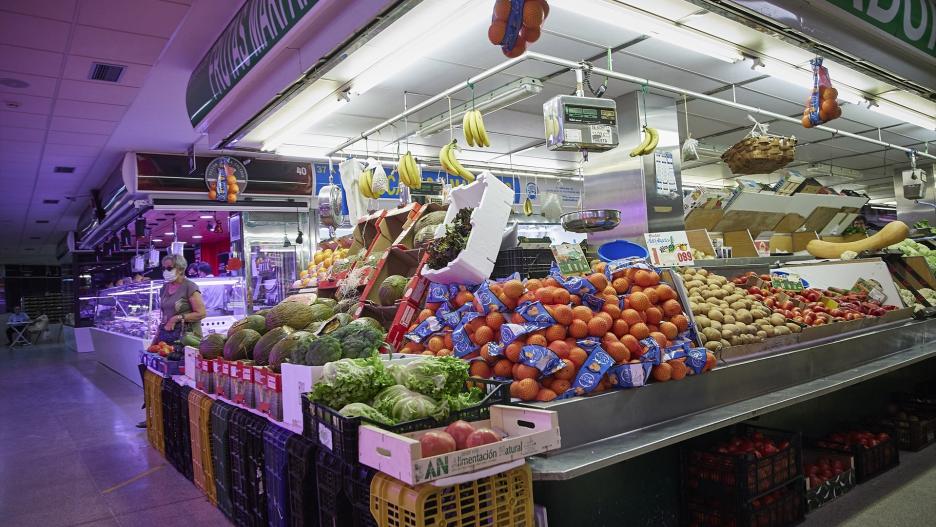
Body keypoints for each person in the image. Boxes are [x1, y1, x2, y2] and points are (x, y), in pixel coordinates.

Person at [137, 254, 206, 428]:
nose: (165, 272)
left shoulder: (190, 287)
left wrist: (177, 318)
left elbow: (201, 313)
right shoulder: (164, 288)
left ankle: (176, 419)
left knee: (175, 379)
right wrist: (156, 338)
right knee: (150, 372)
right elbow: (164, 315)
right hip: (165, 336)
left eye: (169, 268)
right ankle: (154, 414)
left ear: (180, 269)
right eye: (164, 268)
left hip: (186, 337)